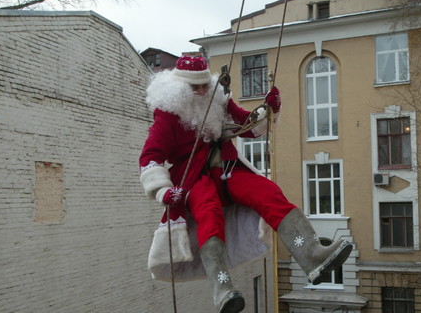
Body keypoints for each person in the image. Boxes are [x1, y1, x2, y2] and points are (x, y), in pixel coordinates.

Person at [139, 55, 352, 313]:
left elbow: (248, 126)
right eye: (196, 87)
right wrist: (163, 191)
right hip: (194, 178)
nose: (203, 91)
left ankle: (312, 254)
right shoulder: (167, 114)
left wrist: (269, 110)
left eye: (206, 84)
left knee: (267, 191)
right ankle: (223, 289)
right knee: (208, 213)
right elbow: (150, 158)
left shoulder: (218, 99)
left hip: (227, 169)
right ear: (180, 88)